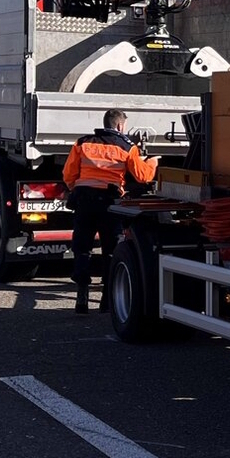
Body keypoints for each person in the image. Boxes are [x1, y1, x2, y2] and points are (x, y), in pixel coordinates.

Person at [64, 109, 159, 313]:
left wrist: (79, 189)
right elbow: (142, 177)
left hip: (84, 201)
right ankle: (107, 300)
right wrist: (153, 162)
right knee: (111, 251)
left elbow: (68, 174)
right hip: (109, 203)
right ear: (120, 126)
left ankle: (82, 295)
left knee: (82, 248)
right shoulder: (126, 146)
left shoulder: (82, 143)